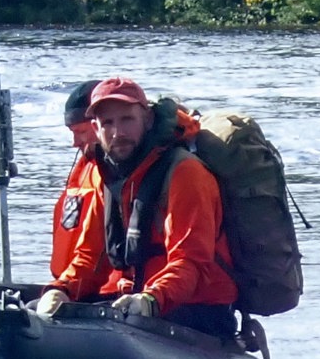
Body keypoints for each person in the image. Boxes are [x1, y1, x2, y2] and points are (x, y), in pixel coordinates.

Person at [38, 78, 240, 338]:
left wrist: (151, 300)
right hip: (134, 300)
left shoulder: (185, 173)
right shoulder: (105, 176)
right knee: (32, 313)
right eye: (107, 123)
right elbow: (89, 257)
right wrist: (61, 289)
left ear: (147, 119)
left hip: (196, 309)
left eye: (127, 119)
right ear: (95, 128)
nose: (118, 133)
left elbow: (191, 262)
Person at [51, 79, 104, 280]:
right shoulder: (86, 168)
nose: (74, 143)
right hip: (74, 282)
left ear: (100, 124)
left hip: (104, 288)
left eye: (80, 132)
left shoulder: (117, 176)